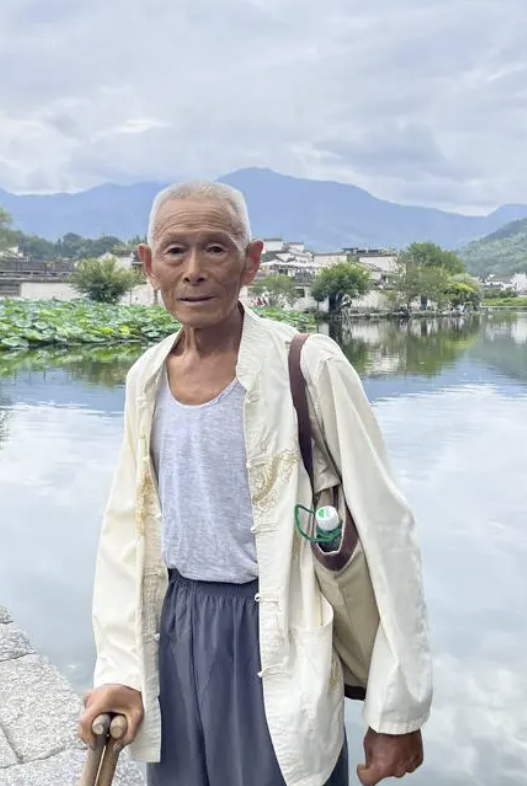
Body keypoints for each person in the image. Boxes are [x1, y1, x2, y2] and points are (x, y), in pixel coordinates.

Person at [79, 181, 432, 786]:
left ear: (251, 262)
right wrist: (120, 669)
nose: (194, 270)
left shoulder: (309, 365)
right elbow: (124, 533)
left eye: (216, 248)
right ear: (148, 265)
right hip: (175, 625)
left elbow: (387, 532)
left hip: (273, 628)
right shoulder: (146, 377)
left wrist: (396, 711)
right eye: (175, 251)